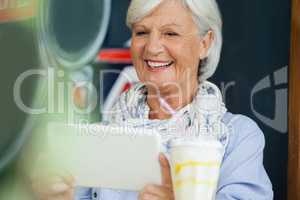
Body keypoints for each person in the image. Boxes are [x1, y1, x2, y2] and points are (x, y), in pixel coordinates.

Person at [32, 0, 274, 199]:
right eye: (142, 32)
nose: (152, 47)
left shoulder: (238, 138)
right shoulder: (101, 137)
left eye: (171, 33)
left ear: (205, 44)